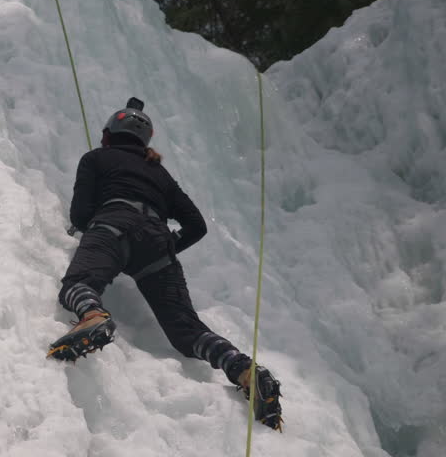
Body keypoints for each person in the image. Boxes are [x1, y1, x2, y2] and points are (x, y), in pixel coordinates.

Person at [48, 97, 283, 431]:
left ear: (109, 133)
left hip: (113, 224)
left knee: (78, 285)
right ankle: (242, 368)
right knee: (187, 331)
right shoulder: (160, 173)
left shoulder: (96, 158)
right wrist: (169, 245)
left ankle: (92, 315)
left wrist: (94, 230)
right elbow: (197, 226)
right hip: (158, 244)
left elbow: (80, 215)